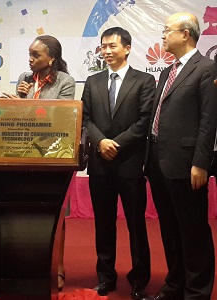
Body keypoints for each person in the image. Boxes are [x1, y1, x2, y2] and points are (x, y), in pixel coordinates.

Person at [144, 13, 217, 300]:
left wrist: (201, 162)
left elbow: (209, 121)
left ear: (185, 34)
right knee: (170, 229)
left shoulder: (207, 68)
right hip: (159, 162)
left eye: (166, 31)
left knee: (193, 231)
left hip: (188, 165)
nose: (162, 36)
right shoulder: (166, 71)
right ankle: (174, 285)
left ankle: (197, 291)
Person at [82, 27, 155, 299]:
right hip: (100, 164)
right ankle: (105, 277)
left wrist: (117, 144)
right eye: (103, 46)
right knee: (103, 223)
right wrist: (101, 142)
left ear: (127, 48)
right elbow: (85, 118)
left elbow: (145, 121)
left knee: (136, 223)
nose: (107, 51)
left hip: (131, 164)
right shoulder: (92, 81)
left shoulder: (145, 80)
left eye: (112, 46)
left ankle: (139, 280)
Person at [3, 34, 76, 291]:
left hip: (55, 154)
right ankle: (28, 265)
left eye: (36, 55)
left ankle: (58, 265)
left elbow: (61, 115)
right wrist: (19, 101)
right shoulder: (25, 77)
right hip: (24, 153)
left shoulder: (65, 81)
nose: (31, 59)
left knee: (57, 215)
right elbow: (20, 120)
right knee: (26, 212)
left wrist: (27, 105)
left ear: (51, 58)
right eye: (30, 54)